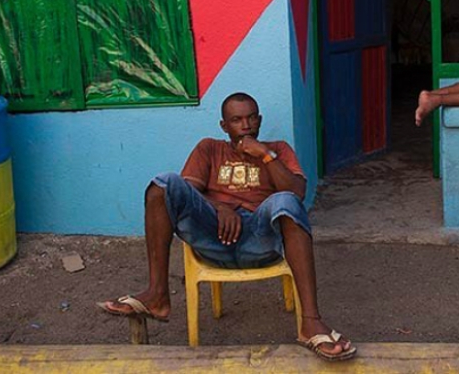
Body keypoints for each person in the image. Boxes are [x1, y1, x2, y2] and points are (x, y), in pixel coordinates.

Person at [97, 92, 356, 362]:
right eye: (236, 119)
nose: (245, 125)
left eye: (251, 117)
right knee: (162, 185)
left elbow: (297, 193)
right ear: (224, 125)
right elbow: (189, 194)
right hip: (214, 236)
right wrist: (221, 207)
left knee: (286, 201)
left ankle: (311, 322)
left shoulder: (278, 149)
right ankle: (157, 295)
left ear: (260, 120)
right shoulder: (209, 148)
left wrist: (266, 156)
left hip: (260, 238)